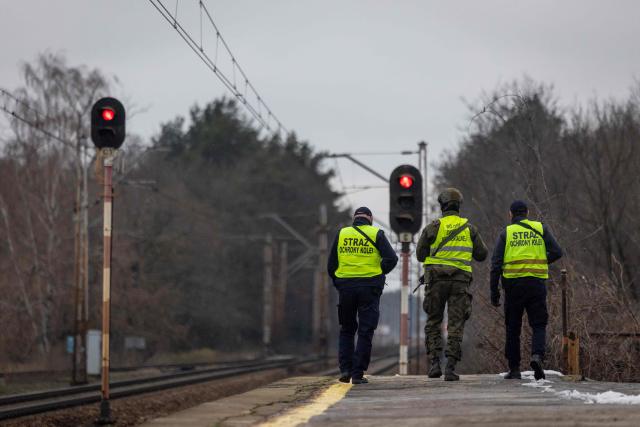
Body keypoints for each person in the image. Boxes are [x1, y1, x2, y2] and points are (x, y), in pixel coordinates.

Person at [416, 188, 488, 381]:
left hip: (436, 281)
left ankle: (434, 364)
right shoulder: (469, 228)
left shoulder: (433, 227)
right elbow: (482, 254)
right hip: (459, 283)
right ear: (458, 206)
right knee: (456, 324)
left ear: (442, 206)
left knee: (433, 321)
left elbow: (420, 255)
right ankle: (450, 367)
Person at [490, 200, 563, 380]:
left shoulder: (506, 233)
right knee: (538, 324)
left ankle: (514, 369)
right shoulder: (540, 228)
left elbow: (496, 265)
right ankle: (537, 356)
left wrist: (494, 291)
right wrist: (540, 261)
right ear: (527, 212)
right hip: (536, 284)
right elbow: (557, 251)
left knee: (513, 327)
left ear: (511, 214)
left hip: (514, 286)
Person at [327, 207, 398, 384]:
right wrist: (379, 274)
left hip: (346, 289)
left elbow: (331, 265)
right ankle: (357, 374)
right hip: (369, 288)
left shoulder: (342, 234)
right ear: (370, 219)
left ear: (355, 219)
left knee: (347, 329)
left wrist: (339, 283)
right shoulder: (376, 233)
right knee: (365, 330)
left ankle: (345, 370)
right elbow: (392, 258)